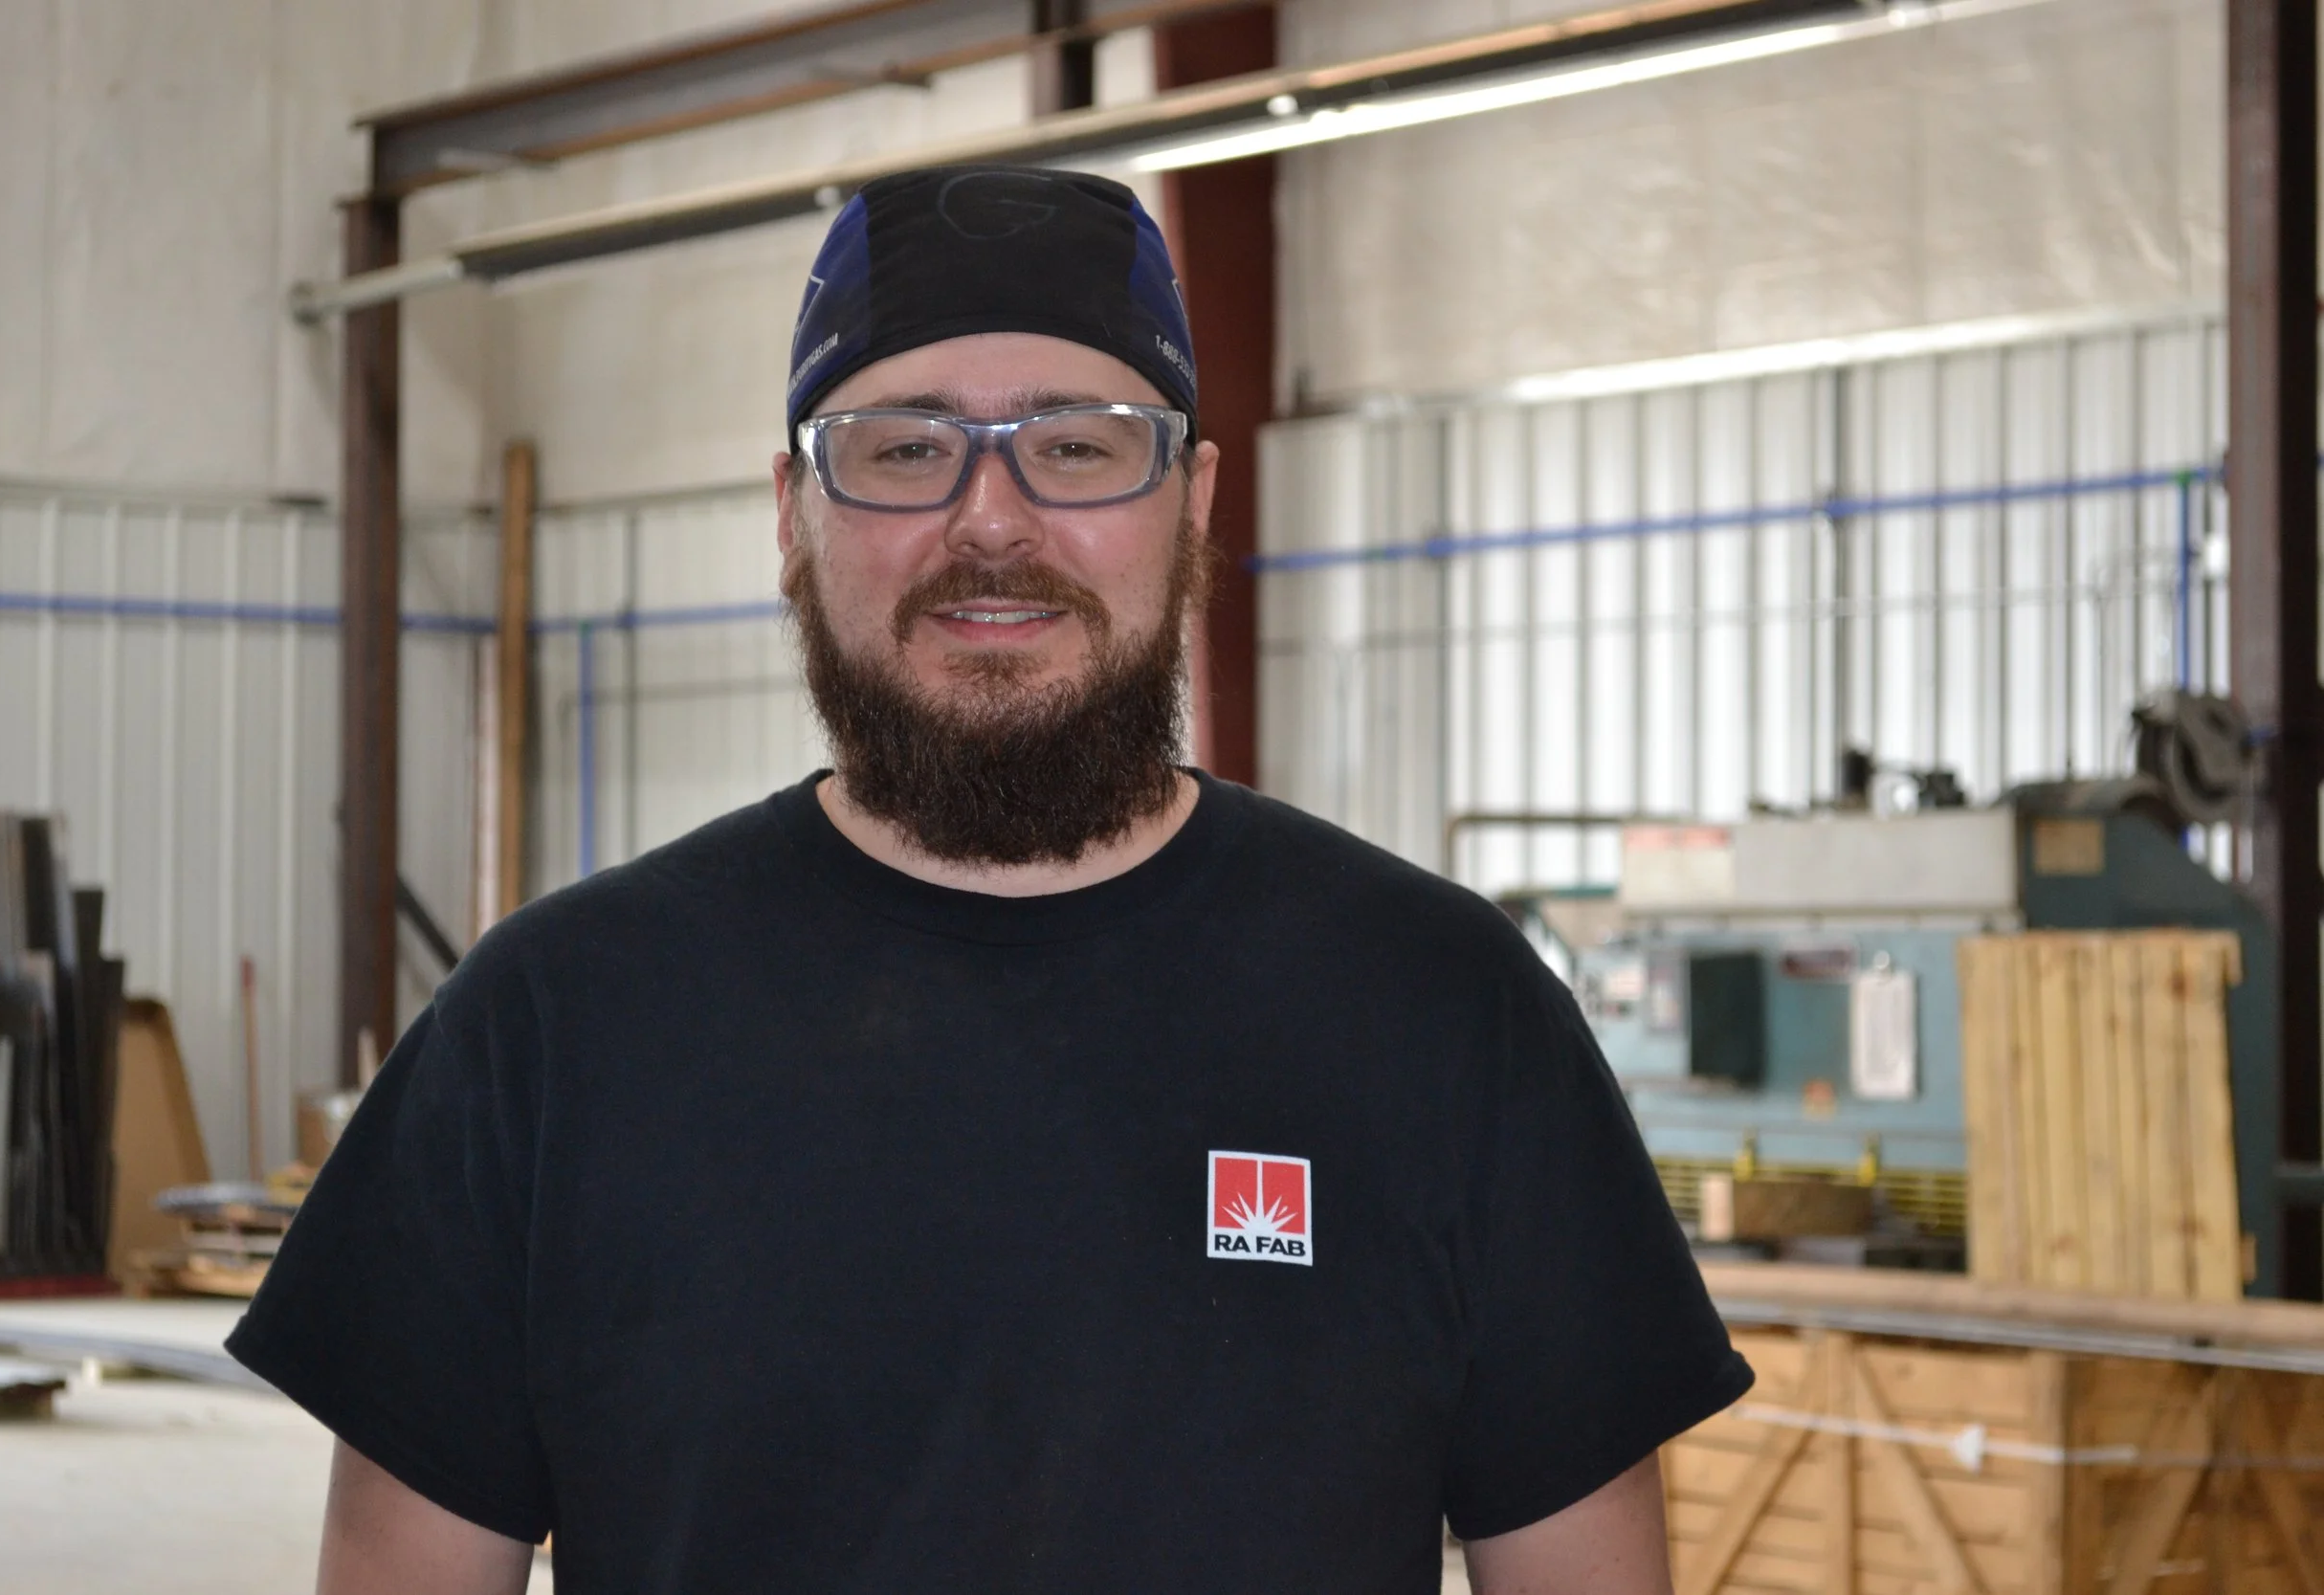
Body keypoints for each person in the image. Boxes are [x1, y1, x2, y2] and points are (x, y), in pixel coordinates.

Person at [231, 164, 1752, 1595]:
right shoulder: (550, 1032)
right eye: (905, 449)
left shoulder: (1447, 1013)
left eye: (1079, 445)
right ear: (791, 515)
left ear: (1195, 502)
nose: (993, 519)